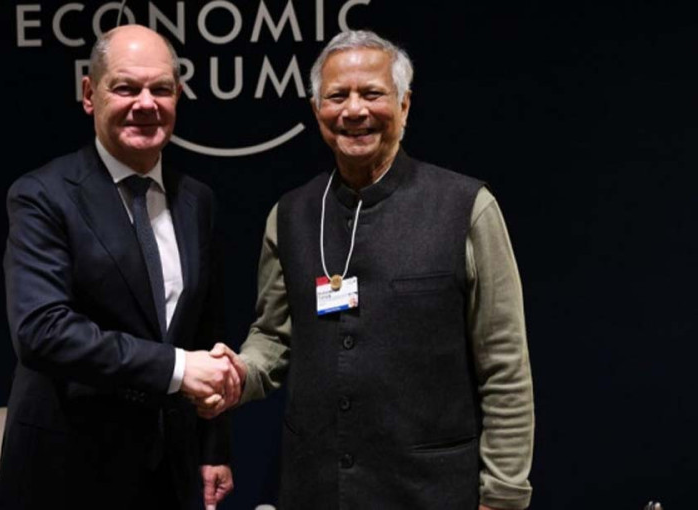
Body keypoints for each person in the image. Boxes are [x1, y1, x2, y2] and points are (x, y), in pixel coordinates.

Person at [208, 30, 535, 509]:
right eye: (337, 95)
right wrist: (239, 373)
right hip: (315, 491)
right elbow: (274, 336)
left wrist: (503, 496)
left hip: (431, 493)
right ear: (317, 109)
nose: (354, 110)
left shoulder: (467, 208)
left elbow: (504, 366)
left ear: (404, 106)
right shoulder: (291, 214)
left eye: (372, 93)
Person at [0, 25, 240, 510]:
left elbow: (205, 330)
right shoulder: (43, 195)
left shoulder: (197, 201)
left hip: (168, 474)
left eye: (161, 89)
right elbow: (41, 331)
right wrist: (176, 368)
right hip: (64, 474)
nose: (145, 103)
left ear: (178, 96)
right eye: (126, 87)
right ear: (90, 94)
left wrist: (214, 449)